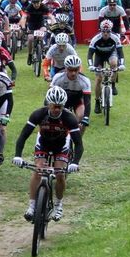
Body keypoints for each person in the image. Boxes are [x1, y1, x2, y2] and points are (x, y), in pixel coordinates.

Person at [13, 86, 84, 221]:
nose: (56, 109)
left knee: (60, 174)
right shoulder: (38, 114)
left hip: (61, 145)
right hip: (43, 143)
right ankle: (32, 206)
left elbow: (79, 144)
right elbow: (23, 136)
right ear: (48, 103)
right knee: (38, 170)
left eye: (60, 106)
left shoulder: (69, 118)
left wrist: (75, 163)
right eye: (54, 106)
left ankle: (58, 205)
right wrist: (18, 155)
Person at [87, 20, 125, 113]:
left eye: (108, 32)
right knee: (99, 78)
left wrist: (122, 64)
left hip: (111, 53)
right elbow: (90, 55)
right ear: (100, 31)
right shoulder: (95, 39)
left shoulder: (115, 38)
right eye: (103, 31)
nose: (105, 34)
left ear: (111, 31)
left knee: (114, 64)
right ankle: (97, 101)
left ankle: (113, 84)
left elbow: (120, 53)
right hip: (99, 56)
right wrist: (91, 66)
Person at [51, 55, 91, 134]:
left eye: (76, 70)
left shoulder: (85, 80)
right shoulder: (58, 77)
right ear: (65, 68)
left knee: (81, 118)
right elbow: (50, 97)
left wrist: (86, 117)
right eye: (70, 70)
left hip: (77, 100)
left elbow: (87, 101)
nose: (73, 73)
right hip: (61, 101)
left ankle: (78, 142)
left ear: (79, 68)